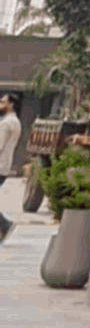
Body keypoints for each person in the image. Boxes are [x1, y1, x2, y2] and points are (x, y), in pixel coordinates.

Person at [0, 94, 20, 242]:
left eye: (3, 102)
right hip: (4, 165)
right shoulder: (16, 122)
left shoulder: (6, 123)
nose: (0, 104)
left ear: (11, 104)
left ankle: (5, 225)